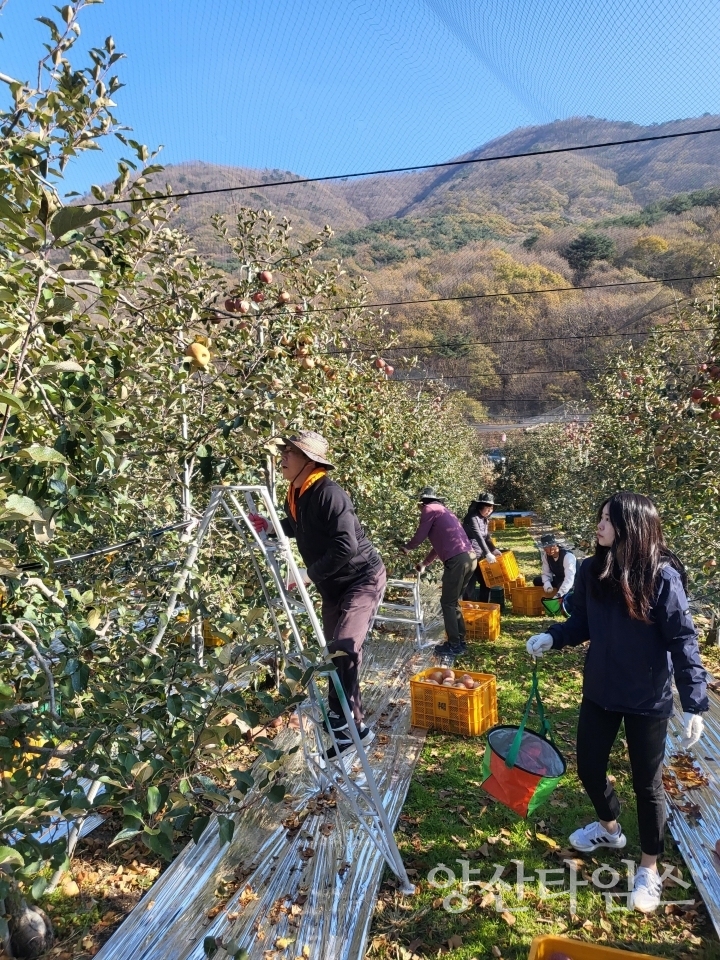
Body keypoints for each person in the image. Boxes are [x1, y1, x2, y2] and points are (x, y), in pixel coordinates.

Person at [526, 492, 708, 914]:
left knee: (647, 784)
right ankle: (609, 829)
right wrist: (554, 636)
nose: (599, 525)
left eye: (607, 519)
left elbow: (682, 639)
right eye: (600, 517)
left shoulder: (662, 577)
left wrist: (694, 703)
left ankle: (648, 867)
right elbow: (583, 623)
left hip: (647, 697)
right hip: (601, 690)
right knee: (589, 767)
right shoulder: (594, 570)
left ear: (632, 525)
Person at [250, 430, 385, 758]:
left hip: (361, 579)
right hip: (334, 586)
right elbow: (299, 528)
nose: (282, 458)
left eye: (290, 454)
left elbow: (345, 545)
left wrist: (306, 575)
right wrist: (270, 526)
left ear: (309, 461)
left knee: (344, 647)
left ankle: (343, 723)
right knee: (336, 654)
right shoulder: (296, 495)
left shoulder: (329, 493)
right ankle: (354, 728)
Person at [401, 487, 476, 657]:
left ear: (422, 503)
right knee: (453, 601)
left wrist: (407, 547)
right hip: (470, 558)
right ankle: (460, 640)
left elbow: (420, 534)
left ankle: (454, 644)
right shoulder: (444, 512)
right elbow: (438, 545)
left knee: (447, 603)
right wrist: (425, 563)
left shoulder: (429, 509)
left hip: (457, 561)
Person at [462, 492, 502, 602]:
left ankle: (484, 606)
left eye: (491, 509)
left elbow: (486, 536)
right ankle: (468, 610)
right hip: (469, 555)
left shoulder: (484, 519)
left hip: (479, 555)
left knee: (486, 581)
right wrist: (488, 553)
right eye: (487, 508)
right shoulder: (472, 517)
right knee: (470, 584)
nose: (489, 511)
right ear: (481, 506)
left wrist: (493, 549)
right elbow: (478, 536)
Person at [532, 533, 576, 610]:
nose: (546, 550)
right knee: (537, 581)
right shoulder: (546, 556)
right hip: (559, 579)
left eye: (548, 547)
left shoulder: (567, 556)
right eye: (545, 548)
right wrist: (547, 585)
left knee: (561, 587)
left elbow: (569, 579)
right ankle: (549, 597)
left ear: (555, 546)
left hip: (573, 582)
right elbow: (546, 573)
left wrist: (559, 594)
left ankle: (562, 605)